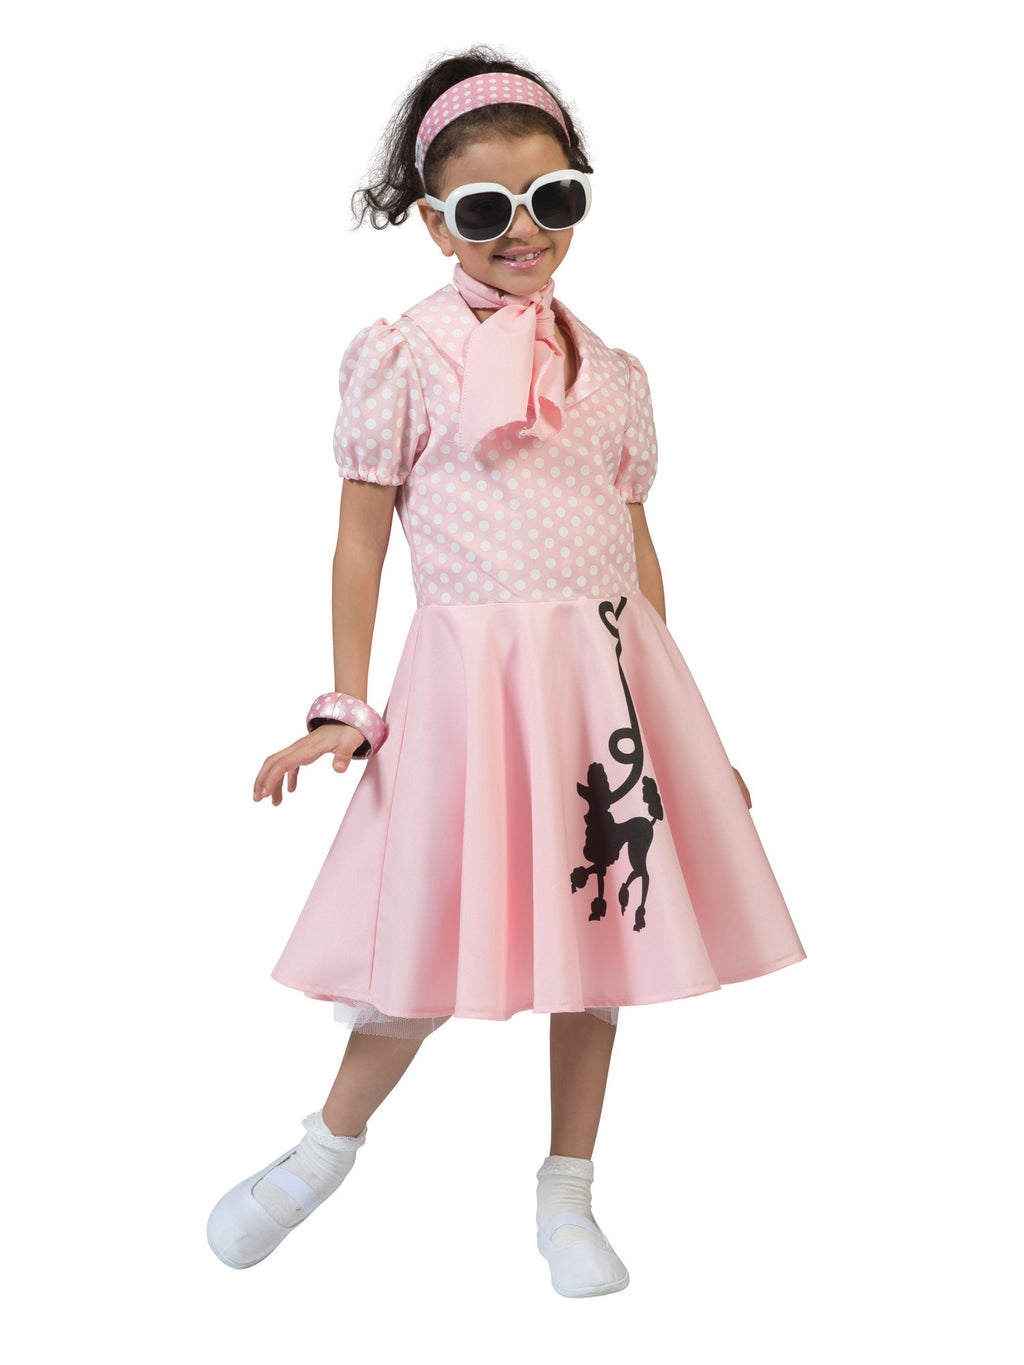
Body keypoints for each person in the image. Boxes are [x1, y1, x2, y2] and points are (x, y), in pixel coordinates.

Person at [206, 48, 807, 1297]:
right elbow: (360, 536)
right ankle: (326, 1147)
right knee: (430, 931)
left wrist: (682, 734)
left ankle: (568, 1188)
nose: (523, 230)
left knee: (604, 933)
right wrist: (342, 704)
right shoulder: (404, 356)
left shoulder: (613, 371)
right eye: (486, 209)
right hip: (471, 691)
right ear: (436, 224)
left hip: (600, 686)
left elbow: (636, 550)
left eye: (553, 198)